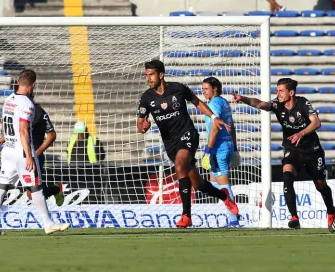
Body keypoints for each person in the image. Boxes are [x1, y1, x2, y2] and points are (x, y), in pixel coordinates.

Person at [137, 60, 239, 228]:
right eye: (146, 75)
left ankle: (186, 216)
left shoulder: (178, 88)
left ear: (161, 74)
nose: (148, 78)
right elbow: (140, 124)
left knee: (179, 164)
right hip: (170, 143)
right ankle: (224, 196)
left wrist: (214, 117)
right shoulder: (147, 97)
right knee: (197, 183)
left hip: (188, 135)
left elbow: (198, 102)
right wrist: (144, 127)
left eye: (151, 74)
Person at [232, 78, 335, 232]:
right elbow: (260, 104)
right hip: (292, 149)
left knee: (320, 184)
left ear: (291, 92)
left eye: (281, 90)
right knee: (287, 176)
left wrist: (301, 133)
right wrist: (243, 99)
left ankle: (331, 212)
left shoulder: (303, 103)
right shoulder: (277, 105)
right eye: (277, 90)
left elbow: (316, 123)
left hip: (312, 151)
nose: (277, 93)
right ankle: (294, 217)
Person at [0, 69, 70, 236]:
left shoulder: (8, 100)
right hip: (21, 152)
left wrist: (1, 139)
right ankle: (48, 223)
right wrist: (29, 155)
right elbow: (23, 130)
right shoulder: (28, 104)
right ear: (33, 85)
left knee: (1, 187)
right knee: (36, 188)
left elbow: (10, 127)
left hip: (8, 150)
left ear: (18, 81)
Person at [200, 77, 241, 227]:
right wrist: (235, 148)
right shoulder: (224, 102)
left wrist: (207, 151)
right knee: (212, 181)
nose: (203, 91)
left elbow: (216, 128)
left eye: (206, 88)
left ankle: (234, 219)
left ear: (215, 89)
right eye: (202, 88)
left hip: (219, 149)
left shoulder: (214, 104)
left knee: (224, 185)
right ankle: (233, 215)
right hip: (227, 145)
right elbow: (232, 126)